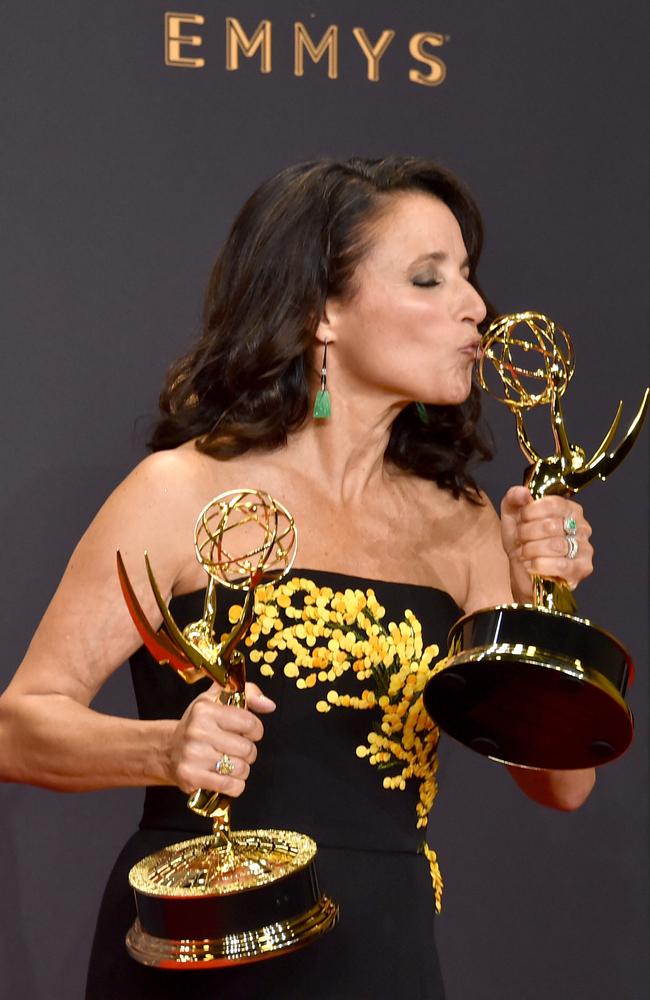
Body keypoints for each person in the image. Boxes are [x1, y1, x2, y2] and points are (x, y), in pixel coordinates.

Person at [0, 157, 596, 999]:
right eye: (429, 278)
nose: (475, 307)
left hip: (381, 956)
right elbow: (18, 728)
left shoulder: (466, 525)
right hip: (199, 952)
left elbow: (565, 784)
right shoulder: (181, 490)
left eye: (468, 276)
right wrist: (164, 750)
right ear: (323, 311)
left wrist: (548, 602)